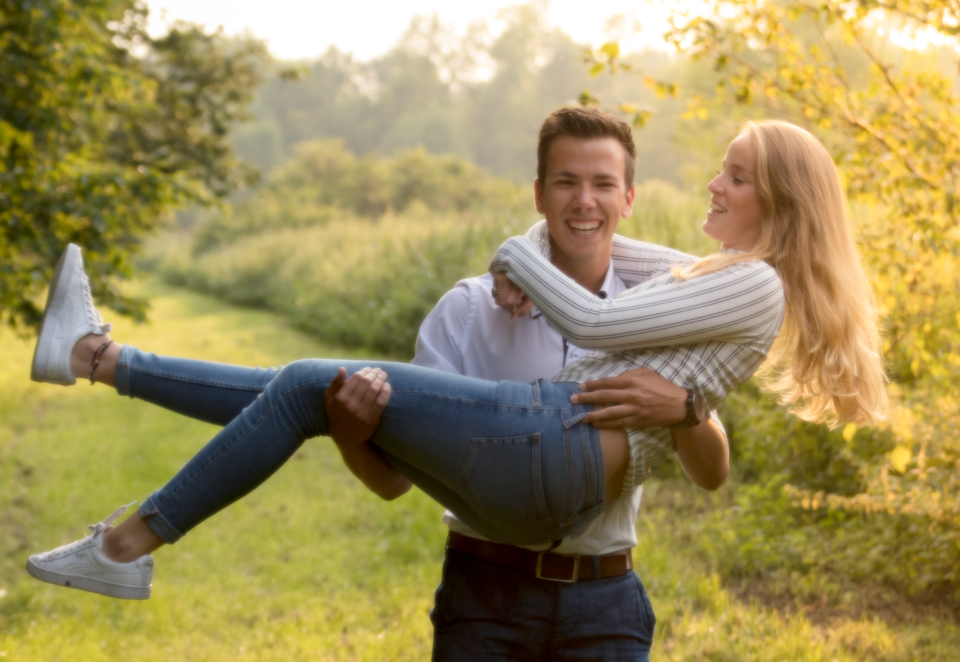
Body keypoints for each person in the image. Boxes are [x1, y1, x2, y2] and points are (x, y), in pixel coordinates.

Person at [25, 119, 887, 621]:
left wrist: (513, 246)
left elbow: (590, 313)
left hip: (556, 450)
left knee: (298, 382)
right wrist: (526, 263)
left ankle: (126, 542)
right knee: (310, 392)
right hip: (534, 483)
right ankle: (97, 357)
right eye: (720, 168)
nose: (712, 183)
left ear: (776, 200)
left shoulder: (753, 283)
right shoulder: (716, 274)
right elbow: (600, 246)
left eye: (733, 176)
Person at [329, 106, 728, 660]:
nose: (584, 200)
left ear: (628, 199)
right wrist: (352, 436)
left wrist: (687, 408)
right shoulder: (468, 310)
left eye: (603, 184)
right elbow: (393, 483)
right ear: (539, 195)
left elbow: (711, 473)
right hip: (486, 598)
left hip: (608, 604)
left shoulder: (660, 314)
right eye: (566, 182)